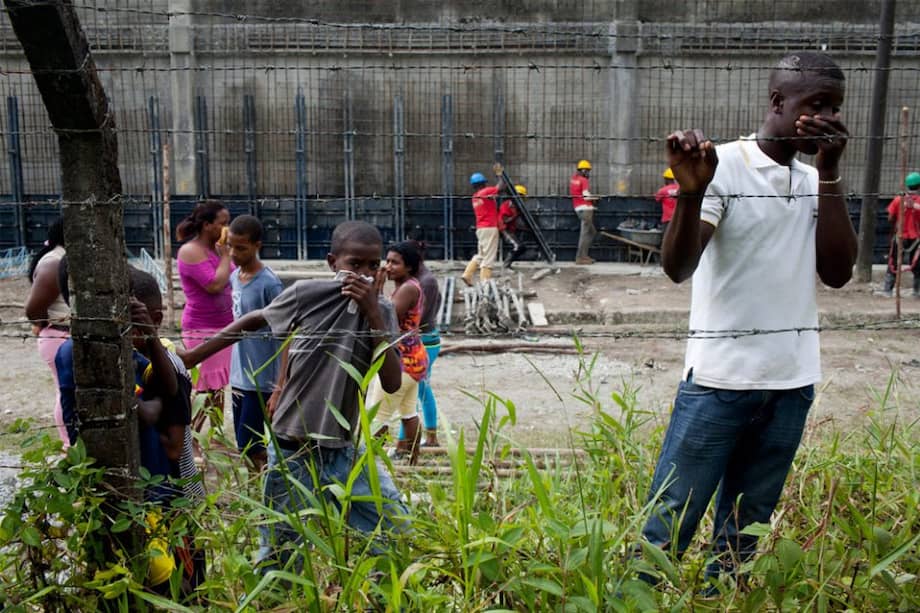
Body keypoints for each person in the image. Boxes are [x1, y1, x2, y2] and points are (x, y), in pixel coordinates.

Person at [643, 51, 857, 586]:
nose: (827, 118)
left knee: (744, 533)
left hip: (792, 382)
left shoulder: (813, 180)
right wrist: (691, 195)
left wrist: (829, 174)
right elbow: (679, 267)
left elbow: (837, 273)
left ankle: (722, 598)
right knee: (668, 524)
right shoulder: (725, 165)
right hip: (720, 380)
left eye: (835, 108)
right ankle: (636, 597)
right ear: (778, 102)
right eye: (816, 105)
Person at [178, 221, 407, 569]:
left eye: (372, 266)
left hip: (343, 445)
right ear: (332, 262)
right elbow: (256, 319)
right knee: (281, 552)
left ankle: (378, 594)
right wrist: (193, 357)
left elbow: (391, 382)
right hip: (293, 445)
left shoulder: (383, 310)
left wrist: (373, 313)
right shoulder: (308, 294)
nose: (363, 274)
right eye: (354, 264)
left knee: (393, 526)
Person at [57, 268, 206, 596]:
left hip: (159, 491)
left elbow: (166, 388)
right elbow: (130, 410)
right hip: (134, 490)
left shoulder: (130, 346)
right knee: (158, 579)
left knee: (174, 574)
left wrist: (150, 336)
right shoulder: (74, 351)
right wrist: (140, 407)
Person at [227, 215, 284, 471]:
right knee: (245, 443)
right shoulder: (234, 277)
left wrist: (280, 385)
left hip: (261, 378)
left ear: (256, 245)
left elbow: (285, 335)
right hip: (240, 374)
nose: (233, 253)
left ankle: (262, 489)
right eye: (230, 246)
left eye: (241, 247)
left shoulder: (269, 284)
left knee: (253, 445)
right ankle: (257, 487)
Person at [175, 199, 233, 441]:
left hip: (225, 325)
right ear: (207, 225)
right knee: (205, 389)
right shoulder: (191, 251)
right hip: (202, 328)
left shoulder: (215, 250)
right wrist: (227, 256)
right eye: (223, 223)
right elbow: (214, 284)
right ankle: (192, 438)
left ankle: (216, 436)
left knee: (217, 387)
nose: (227, 228)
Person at [368, 241, 429, 463]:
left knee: (379, 415)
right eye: (388, 261)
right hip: (414, 360)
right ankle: (413, 460)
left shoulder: (408, 289)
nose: (389, 266)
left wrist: (377, 290)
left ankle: (368, 461)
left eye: (395, 263)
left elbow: (387, 319)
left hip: (401, 362)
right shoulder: (409, 285)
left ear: (409, 267)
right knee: (408, 412)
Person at [24, 217, 71, 446]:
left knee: (70, 392)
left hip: (66, 335)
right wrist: (46, 325)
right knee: (66, 392)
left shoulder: (65, 258)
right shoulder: (54, 262)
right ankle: (68, 444)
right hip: (60, 336)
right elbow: (33, 310)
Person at [877, 172, 920, 297]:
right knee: (917, 264)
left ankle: (888, 290)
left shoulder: (898, 200)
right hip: (916, 238)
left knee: (893, 262)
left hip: (900, 236)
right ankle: (917, 291)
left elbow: (890, 218)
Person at [461, 172, 500, 286]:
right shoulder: (486, 192)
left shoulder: (475, 197)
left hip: (481, 229)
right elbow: (501, 187)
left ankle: (467, 274)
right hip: (490, 228)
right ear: (483, 183)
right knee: (489, 257)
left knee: (481, 254)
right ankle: (485, 283)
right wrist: (500, 174)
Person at [570, 159, 599, 265]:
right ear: (583, 170)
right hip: (586, 209)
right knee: (585, 233)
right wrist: (595, 198)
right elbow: (586, 196)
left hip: (578, 208)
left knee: (591, 232)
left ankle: (584, 256)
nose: (588, 173)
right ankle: (580, 257)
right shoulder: (583, 180)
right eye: (587, 171)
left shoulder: (574, 179)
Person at [499, 184, 528, 268]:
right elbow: (505, 220)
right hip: (504, 229)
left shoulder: (516, 207)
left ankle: (508, 264)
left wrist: (524, 228)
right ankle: (506, 265)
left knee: (522, 248)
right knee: (518, 246)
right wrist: (516, 215)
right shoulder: (506, 205)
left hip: (510, 229)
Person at [655, 168, 679, 237]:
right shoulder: (680, 189)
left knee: (666, 238)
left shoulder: (662, 190)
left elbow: (657, 199)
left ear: (666, 179)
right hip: (678, 219)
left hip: (667, 219)